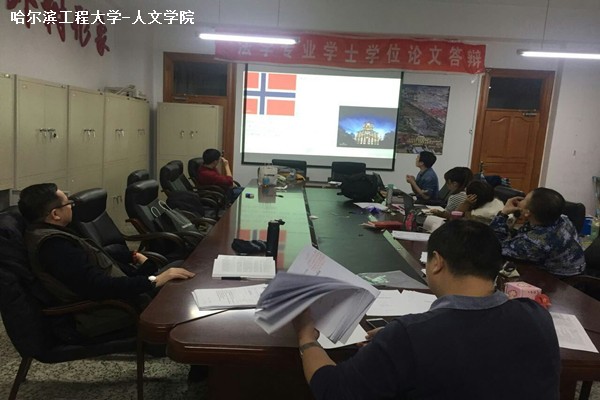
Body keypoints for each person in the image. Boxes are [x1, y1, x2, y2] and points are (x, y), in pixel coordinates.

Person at [293, 219, 560, 400]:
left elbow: (334, 390)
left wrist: (306, 337)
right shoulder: (536, 315)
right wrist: (395, 341)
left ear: (436, 262)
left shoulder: (410, 336)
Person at [18, 183, 195, 340]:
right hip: (105, 312)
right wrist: (153, 281)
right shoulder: (54, 246)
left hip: (119, 298)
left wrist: (138, 261)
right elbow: (97, 286)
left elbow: (97, 261)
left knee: (179, 269)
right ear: (55, 214)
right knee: (181, 284)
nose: (71, 206)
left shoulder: (53, 234)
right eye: (68, 203)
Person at [489, 187, 585, 277]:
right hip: (574, 266)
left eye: (524, 199)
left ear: (528, 212)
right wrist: (520, 214)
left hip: (559, 280)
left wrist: (503, 214)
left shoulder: (535, 241)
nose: (520, 201)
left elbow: (495, 246)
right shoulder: (562, 218)